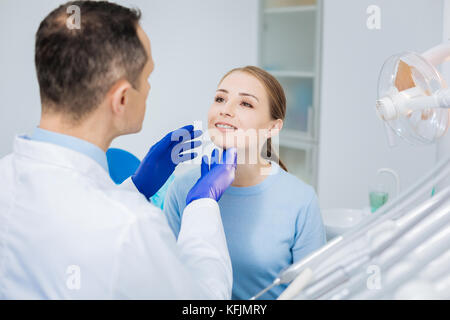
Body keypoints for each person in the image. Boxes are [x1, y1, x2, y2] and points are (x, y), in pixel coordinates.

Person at [0, 1, 237, 299]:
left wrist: (135, 188)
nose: (149, 88)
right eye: (147, 76)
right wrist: (203, 205)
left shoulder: (7, 178)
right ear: (122, 99)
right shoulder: (131, 228)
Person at [163, 66, 327, 299]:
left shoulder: (301, 200)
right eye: (220, 98)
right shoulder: (184, 189)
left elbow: (313, 293)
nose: (225, 110)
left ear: (273, 127)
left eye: (246, 104)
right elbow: (167, 280)